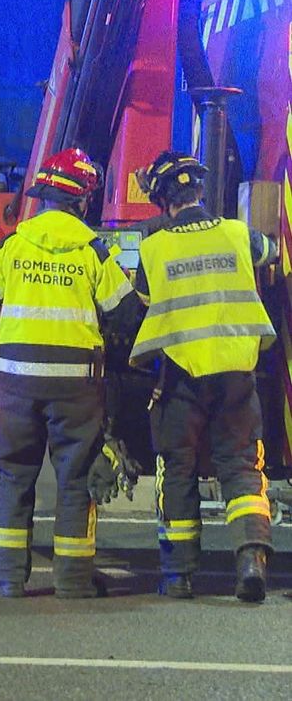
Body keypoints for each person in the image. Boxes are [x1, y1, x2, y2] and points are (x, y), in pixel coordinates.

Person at [0, 147, 140, 598]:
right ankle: (73, 581)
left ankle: (8, 579)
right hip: (76, 389)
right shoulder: (93, 252)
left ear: (43, 196)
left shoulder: (11, 246)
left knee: (15, 476)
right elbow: (127, 318)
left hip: (16, 384)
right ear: (82, 199)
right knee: (76, 479)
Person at [129, 151, 277, 602]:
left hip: (181, 377)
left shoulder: (154, 248)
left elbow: (141, 300)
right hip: (236, 371)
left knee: (178, 468)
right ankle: (250, 559)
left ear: (162, 201)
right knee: (241, 466)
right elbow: (270, 252)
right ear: (200, 191)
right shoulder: (237, 233)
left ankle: (178, 576)